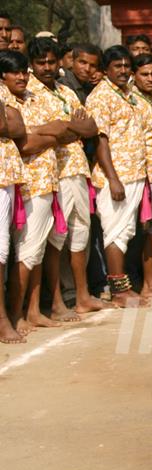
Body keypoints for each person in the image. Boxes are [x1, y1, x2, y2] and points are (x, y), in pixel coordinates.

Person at [26, 37, 108, 321]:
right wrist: (65, 129)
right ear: (32, 65)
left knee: (81, 234)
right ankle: (58, 300)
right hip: (51, 174)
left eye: (51, 61)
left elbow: (89, 126)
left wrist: (65, 126)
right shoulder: (28, 93)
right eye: (41, 63)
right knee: (54, 239)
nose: (47, 67)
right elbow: (31, 133)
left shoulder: (65, 90)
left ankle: (82, 296)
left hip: (77, 169)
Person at [2, 50, 66, 331]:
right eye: (15, 72)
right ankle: (15, 315)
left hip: (46, 180)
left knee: (36, 250)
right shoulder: (4, 98)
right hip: (26, 183)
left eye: (24, 71)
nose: (22, 76)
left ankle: (30, 312)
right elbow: (22, 143)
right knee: (23, 253)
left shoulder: (34, 97)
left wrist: (39, 134)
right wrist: (48, 135)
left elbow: (66, 129)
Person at [85, 46, 148, 307]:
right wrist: (112, 178)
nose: (123, 71)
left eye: (126, 66)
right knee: (114, 233)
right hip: (116, 176)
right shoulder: (100, 97)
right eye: (117, 66)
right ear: (106, 70)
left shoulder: (128, 94)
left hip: (134, 173)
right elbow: (101, 139)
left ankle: (122, 287)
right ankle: (119, 291)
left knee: (126, 232)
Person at [131, 53, 152, 299]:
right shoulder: (133, 101)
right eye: (145, 74)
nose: (151, 78)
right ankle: (148, 283)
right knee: (151, 228)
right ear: (135, 75)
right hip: (146, 174)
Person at [0, 51, 26, 343]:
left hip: (5, 176)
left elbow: (17, 127)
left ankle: (3, 318)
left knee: (2, 251)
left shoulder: (4, 91)